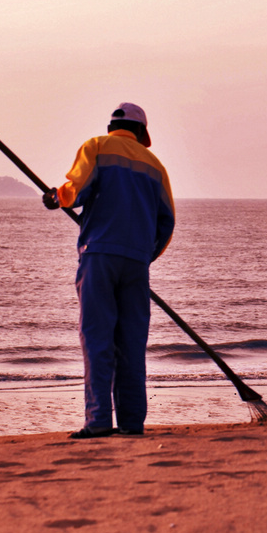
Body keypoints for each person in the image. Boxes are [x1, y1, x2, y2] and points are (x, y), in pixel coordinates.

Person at [43, 103, 175, 438]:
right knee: (131, 344)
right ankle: (132, 423)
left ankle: (99, 421)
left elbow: (77, 189)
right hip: (136, 264)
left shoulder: (96, 147)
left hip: (99, 255)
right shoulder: (155, 165)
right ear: (142, 132)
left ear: (111, 126)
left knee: (98, 338)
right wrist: (145, 256)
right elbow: (167, 221)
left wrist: (57, 197)